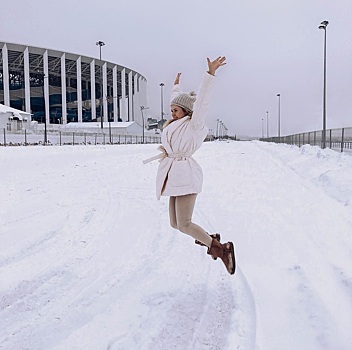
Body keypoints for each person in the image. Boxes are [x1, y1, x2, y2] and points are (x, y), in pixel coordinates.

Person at [144, 56, 235, 275]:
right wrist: (175, 87)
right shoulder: (175, 123)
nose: (172, 114)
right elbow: (180, 99)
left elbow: (201, 101)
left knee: (184, 223)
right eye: (171, 110)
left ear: (186, 112)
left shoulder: (194, 125)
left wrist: (210, 75)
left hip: (185, 174)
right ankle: (210, 240)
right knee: (175, 224)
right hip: (174, 174)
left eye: (176, 110)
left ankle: (223, 250)